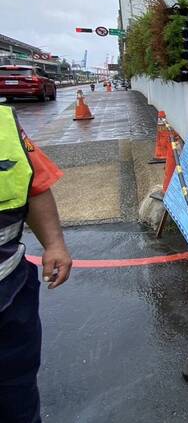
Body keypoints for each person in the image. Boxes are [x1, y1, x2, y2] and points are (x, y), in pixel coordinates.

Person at [0, 104, 72, 423]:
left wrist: (54, 243)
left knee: (17, 394)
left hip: (9, 295)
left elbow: (34, 184)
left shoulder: (4, 124)